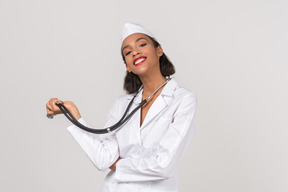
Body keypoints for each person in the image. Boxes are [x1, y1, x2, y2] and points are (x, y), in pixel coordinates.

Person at [46, 23, 197, 192]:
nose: (135, 52)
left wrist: (118, 165)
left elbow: (163, 165)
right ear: (128, 66)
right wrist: (74, 116)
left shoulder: (182, 99)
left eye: (142, 44)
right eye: (127, 52)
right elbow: (103, 160)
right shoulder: (123, 103)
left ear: (159, 50)